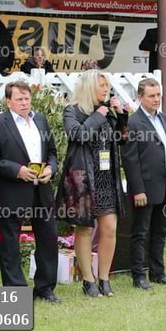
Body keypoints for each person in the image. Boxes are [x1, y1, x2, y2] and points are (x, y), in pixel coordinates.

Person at [56, 70, 128, 298]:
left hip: (106, 179)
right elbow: (77, 135)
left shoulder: (106, 111)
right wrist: (97, 116)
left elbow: (121, 140)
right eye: (102, 85)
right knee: (85, 229)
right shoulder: (73, 110)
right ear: (89, 87)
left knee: (109, 229)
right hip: (83, 178)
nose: (106, 89)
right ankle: (88, 280)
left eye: (107, 85)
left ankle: (104, 278)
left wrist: (120, 115)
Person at [0, 81, 61, 303]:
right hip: (12, 190)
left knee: (48, 239)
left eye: (27, 98)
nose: (24, 103)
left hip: (42, 189)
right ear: (8, 102)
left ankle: (45, 288)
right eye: (19, 99)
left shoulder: (41, 120)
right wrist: (17, 170)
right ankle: (15, 291)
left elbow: (52, 153)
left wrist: (51, 169)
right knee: (10, 243)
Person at [121, 78, 166, 290]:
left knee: (160, 231)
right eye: (152, 96)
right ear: (140, 97)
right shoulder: (133, 122)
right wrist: (138, 190)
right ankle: (138, 276)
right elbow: (130, 159)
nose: (156, 99)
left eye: (158, 95)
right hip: (145, 187)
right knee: (140, 232)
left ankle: (158, 273)